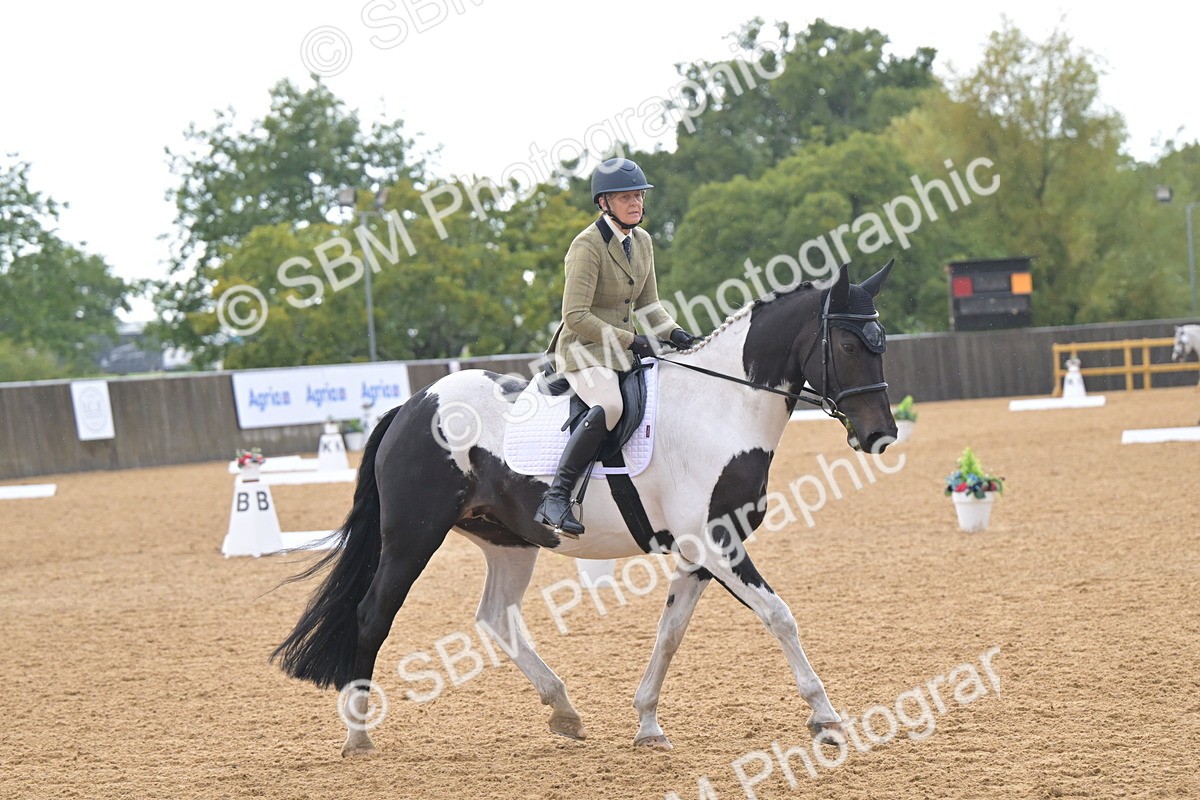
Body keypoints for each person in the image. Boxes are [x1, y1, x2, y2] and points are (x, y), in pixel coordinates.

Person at [534, 157, 698, 538]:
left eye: (639, 195)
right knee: (610, 405)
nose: (636, 203)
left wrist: (677, 335)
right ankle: (556, 498)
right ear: (604, 203)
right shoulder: (586, 246)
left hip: (624, 350)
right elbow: (575, 315)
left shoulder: (642, 241)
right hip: (584, 349)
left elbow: (649, 305)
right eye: (626, 197)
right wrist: (632, 340)